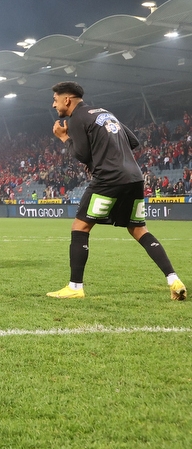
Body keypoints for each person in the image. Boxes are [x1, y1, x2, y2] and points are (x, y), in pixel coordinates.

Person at [48, 81, 186, 300]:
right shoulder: (105, 113)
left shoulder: (77, 118)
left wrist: (64, 138)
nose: (54, 105)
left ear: (67, 99)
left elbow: (82, 155)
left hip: (109, 177)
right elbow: (134, 141)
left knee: (80, 227)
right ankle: (173, 280)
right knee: (139, 229)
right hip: (134, 176)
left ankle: (75, 287)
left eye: (55, 100)